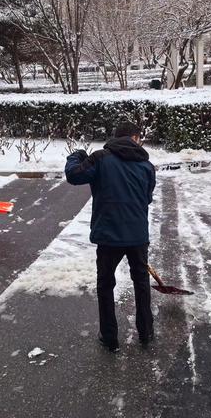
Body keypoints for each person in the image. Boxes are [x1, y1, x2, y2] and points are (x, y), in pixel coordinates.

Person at [65, 121, 156, 352]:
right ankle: (146, 332)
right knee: (141, 282)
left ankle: (109, 337)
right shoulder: (146, 165)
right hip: (137, 236)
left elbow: (73, 175)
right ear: (135, 138)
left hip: (109, 236)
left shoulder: (100, 159)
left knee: (106, 285)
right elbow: (147, 198)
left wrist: (76, 155)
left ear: (116, 137)